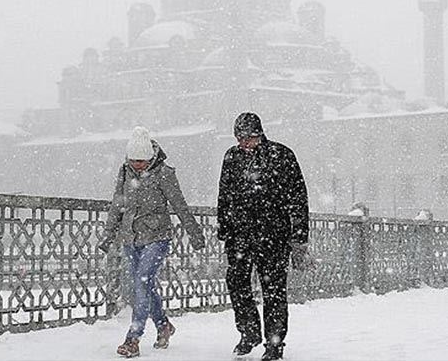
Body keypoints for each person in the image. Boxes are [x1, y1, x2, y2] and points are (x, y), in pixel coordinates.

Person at [99, 126, 205, 358]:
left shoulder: (164, 173)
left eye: (142, 161)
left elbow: (179, 205)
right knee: (144, 286)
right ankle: (163, 325)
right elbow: (118, 204)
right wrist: (108, 235)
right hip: (130, 237)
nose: (137, 165)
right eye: (133, 160)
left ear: (151, 157)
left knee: (142, 281)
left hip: (157, 237)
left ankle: (133, 338)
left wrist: (195, 233)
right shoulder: (125, 172)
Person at [217, 112, 310, 361]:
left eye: (249, 137)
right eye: (240, 138)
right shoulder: (232, 157)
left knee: (274, 290)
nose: (244, 143)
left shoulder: (281, 155)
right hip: (240, 235)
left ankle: (274, 342)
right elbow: (225, 194)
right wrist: (224, 227)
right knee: (237, 283)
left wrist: (299, 235)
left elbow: (298, 197)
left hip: (274, 235)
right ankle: (249, 332)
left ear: (259, 134)